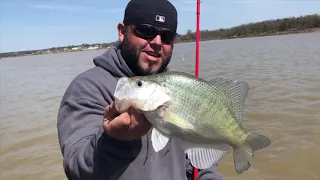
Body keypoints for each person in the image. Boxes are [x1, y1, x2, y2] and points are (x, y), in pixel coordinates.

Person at [57, 0, 223, 179]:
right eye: (146, 31)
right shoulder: (88, 88)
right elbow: (77, 170)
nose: (157, 42)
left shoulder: (180, 89)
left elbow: (197, 157)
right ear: (122, 32)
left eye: (167, 36)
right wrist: (115, 141)